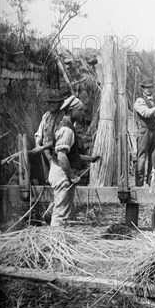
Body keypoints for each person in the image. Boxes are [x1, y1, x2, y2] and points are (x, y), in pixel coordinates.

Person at [48, 95, 101, 228]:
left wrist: (90, 159)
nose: (82, 113)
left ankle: (57, 239)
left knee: (61, 210)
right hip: (62, 175)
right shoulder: (66, 130)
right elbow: (61, 157)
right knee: (61, 214)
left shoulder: (67, 127)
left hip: (60, 172)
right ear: (72, 110)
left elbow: (71, 155)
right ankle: (55, 243)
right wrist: (72, 176)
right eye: (80, 110)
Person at [32, 90, 67, 182]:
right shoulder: (46, 116)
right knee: (47, 180)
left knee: (59, 178)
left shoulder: (63, 117)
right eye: (50, 102)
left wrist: (43, 147)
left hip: (59, 153)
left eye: (54, 102)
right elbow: (39, 134)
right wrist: (38, 145)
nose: (51, 104)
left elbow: (61, 139)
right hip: (45, 153)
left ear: (59, 103)